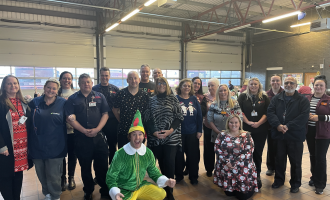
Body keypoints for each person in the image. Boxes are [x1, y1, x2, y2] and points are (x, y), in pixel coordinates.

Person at [106, 110, 176, 200]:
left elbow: (154, 172)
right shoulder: (120, 154)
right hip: (124, 191)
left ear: (143, 137)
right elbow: (111, 177)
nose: (137, 138)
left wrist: (166, 181)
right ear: (129, 137)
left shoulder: (147, 153)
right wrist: (115, 192)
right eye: (134, 134)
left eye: (140, 134)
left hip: (140, 187)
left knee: (161, 193)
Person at [65, 73, 110, 200]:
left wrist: (97, 129)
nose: (86, 84)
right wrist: (84, 130)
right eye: (83, 82)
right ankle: (88, 190)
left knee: (102, 166)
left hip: (99, 137)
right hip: (81, 138)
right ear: (79, 84)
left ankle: (104, 190)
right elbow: (70, 119)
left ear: (91, 83)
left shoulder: (99, 96)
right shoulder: (73, 99)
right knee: (85, 167)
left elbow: (105, 114)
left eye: (88, 82)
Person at [267, 76, 310, 193]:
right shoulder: (277, 98)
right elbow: (270, 112)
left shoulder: (303, 100)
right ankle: (279, 180)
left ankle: (295, 183)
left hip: (295, 136)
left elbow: (304, 116)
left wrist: (288, 126)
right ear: (283, 85)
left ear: (296, 85)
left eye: (291, 83)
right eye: (286, 83)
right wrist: (278, 125)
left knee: (295, 162)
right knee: (279, 160)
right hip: (279, 135)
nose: (288, 85)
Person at [145, 77, 183, 200]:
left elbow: (179, 117)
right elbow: (147, 118)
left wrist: (170, 131)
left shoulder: (173, 99)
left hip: (171, 137)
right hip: (156, 138)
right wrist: (154, 132)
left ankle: (170, 193)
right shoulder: (151, 100)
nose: (161, 85)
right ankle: (164, 188)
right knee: (161, 164)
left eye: (163, 83)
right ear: (155, 86)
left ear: (166, 85)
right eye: (158, 83)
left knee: (170, 163)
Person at [29, 78, 67, 200]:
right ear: (44, 88)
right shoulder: (34, 102)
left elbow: (72, 118)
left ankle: (55, 195)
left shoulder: (63, 103)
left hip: (56, 145)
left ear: (57, 90)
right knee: (41, 173)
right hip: (37, 145)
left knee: (54, 174)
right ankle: (47, 193)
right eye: (48, 87)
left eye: (54, 88)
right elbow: (26, 121)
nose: (51, 90)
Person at [0, 75, 32, 200]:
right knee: (5, 177)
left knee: (18, 175)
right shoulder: (1, 102)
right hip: (7, 148)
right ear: (4, 86)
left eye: (15, 83)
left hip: (21, 148)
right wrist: (1, 146)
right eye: (9, 83)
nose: (13, 86)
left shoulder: (23, 103)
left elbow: (25, 121)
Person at [214, 114, 258, 200]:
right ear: (228, 123)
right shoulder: (221, 135)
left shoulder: (246, 135)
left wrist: (234, 162)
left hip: (241, 166)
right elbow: (217, 148)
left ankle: (255, 184)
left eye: (236, 122)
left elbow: (248, 151)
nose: (234, 124)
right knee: (229, 194)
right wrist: (226, 161)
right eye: (231, 122)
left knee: (243, 197)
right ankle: (231, 187)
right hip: (226, 166)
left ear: (240, 123)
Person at [238, 78, 270, 189]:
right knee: (246, 153)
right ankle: (245, 174)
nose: (253, 86)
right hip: (246, 129)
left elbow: (267, 112)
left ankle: (257, 175)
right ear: (248, 85)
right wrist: (248, 122)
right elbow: (239, 110)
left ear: (259, 85)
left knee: (257, 152)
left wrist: (258, 123)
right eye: (251, 84)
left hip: (261, 130)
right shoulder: (242, 96)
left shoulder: (264, 97)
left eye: (255, 84)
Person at [175, 79, 203, 185]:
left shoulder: (194, 99)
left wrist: (199, 130)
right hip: (178, 133)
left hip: (192, 133)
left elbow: (199, 116)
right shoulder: (176, 99)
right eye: (184, 85)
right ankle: (178, 175)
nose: (187, 87)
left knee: (193, 156)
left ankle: (193, 177)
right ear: (180, 87)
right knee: (178, 156)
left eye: (189, 86)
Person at [305, 75, 330, 195]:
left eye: (321, 85)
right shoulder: (307, 98)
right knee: (312, 155)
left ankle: (320, 183)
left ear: (325, 87)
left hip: (323, 133)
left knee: (320, 158)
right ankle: (314, 177)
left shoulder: (329, 99)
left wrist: (319, 118)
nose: (318, 87)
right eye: (316, 85)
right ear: (313, 86)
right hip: (309, 131)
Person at [113, 71, 149, 149]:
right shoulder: (120, 94)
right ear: (127, 80)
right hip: (124, 131)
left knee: (137, 156)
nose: (133, 81)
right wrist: (121, 120)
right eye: (131, 78)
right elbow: (115, 109)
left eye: (135, 78)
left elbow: (147, 113)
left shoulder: (145, 95)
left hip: (139, 133)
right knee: (124, 156)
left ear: (139, 80)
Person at [92, 67, 120, 165]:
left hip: (112, 123)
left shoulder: (115, 89)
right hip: (98, 122)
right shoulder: (94, 89)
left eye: (106, 75)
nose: (104, 77)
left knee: (112, 146)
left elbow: (119, 107)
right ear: (99, 76)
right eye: (102, 75)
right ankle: (100, 173)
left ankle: (112, 170)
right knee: (98, 147)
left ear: (109, 76)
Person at [208, 83, 243, 150]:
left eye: (225, 90)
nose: (223, 92)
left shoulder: (235, 103)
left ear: (228, 92)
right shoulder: (213, 104)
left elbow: (240, 118)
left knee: (231, 155)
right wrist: (218, 132)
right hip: (217, 134)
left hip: (233, 134)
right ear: (218, 92)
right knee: (219, 155)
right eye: (220, 91)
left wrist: (232, 132)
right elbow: (210, 120)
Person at [58, 71, 77, 191]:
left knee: (72, 155)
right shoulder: (56, 94)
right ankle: (62, 178)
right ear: (60, 80)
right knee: (61, 156)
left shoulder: (76, 94)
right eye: (64, 78)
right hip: (59, 131)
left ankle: (71, 177)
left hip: (73, 131)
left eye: (69, 78)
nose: (67, 80)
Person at [265, 75, 284, 176]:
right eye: (273, 81)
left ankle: (280, 168)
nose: (275, 82)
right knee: (271, 147)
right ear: (270, 82)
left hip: (282, 126)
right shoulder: (266, 94)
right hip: (270, 126)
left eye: (277, 80)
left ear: (281, 81)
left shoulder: (285, 94)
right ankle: (270, 167)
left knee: (281, 148)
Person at [202, 78, 219, 177]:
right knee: (208, 149)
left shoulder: (221, 95)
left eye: (212, 85)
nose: (210, 87)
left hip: (221, 128)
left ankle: (220, 169)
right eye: (208, 85)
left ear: (217, 86)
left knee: (221, 149)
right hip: (208, 126)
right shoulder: (205, 97)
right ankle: (209, 169)